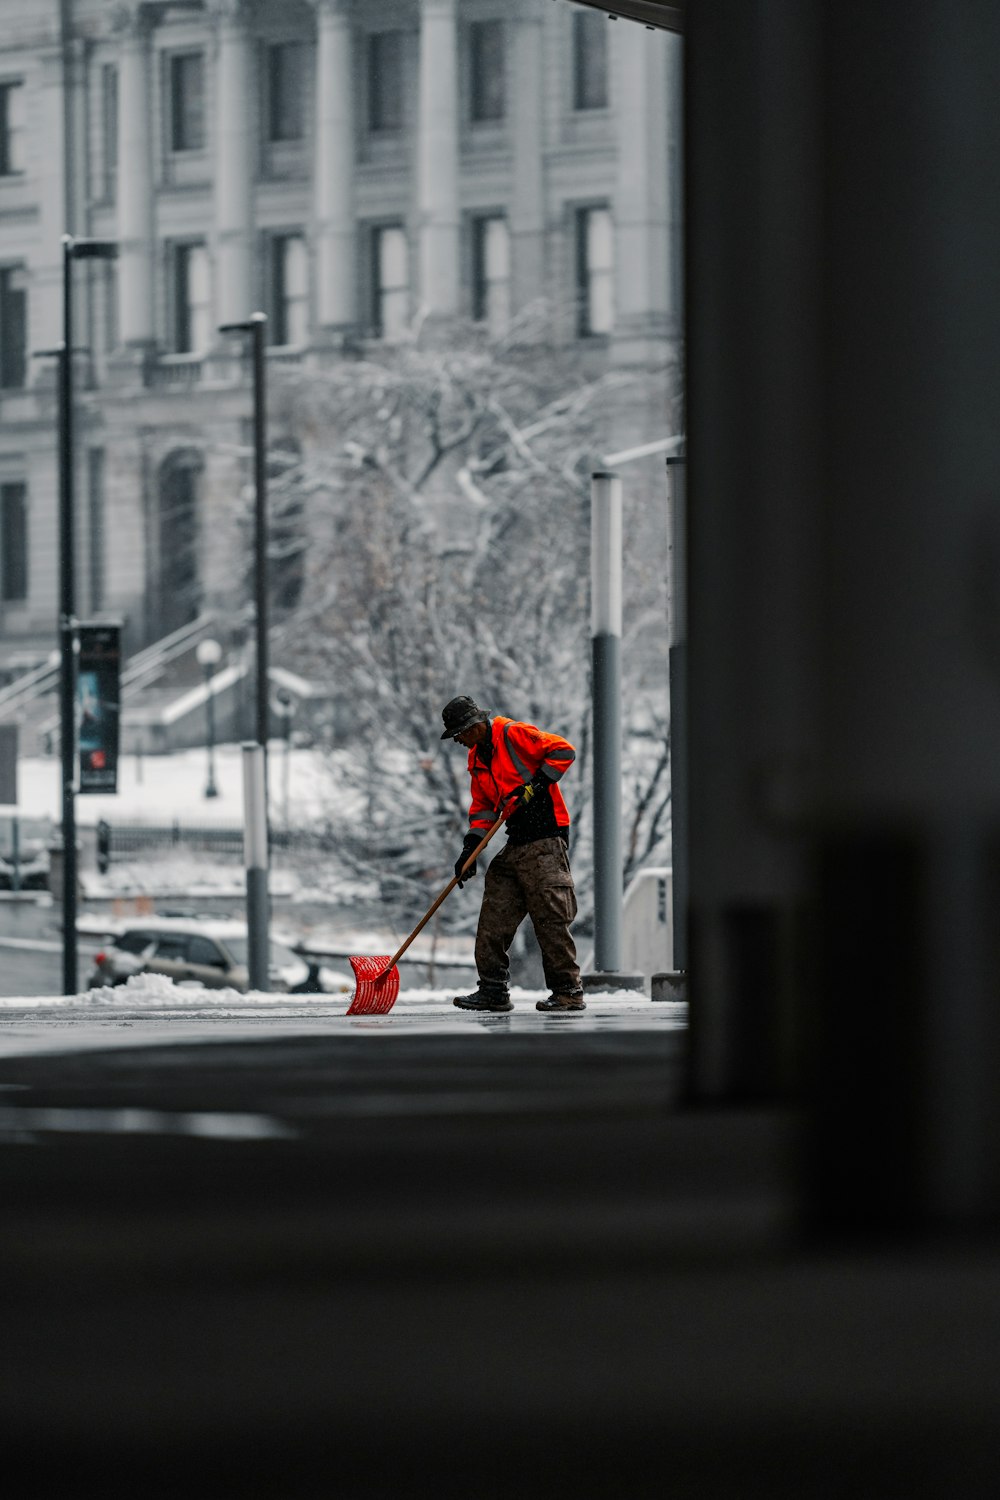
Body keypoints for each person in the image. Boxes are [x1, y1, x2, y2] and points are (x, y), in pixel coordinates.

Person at [440, 694, 585, 1014]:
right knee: (494, 914)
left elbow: (563, 750)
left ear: (475, 725)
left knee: (550, 917)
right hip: (516, 841)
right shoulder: (477, 758)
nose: (460, 741)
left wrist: (535, 785)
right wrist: (470, 849)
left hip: (546, 838)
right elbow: (483, 809)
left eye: (460, 734)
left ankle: (568, 991)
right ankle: (492, 990)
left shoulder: (513, 733)